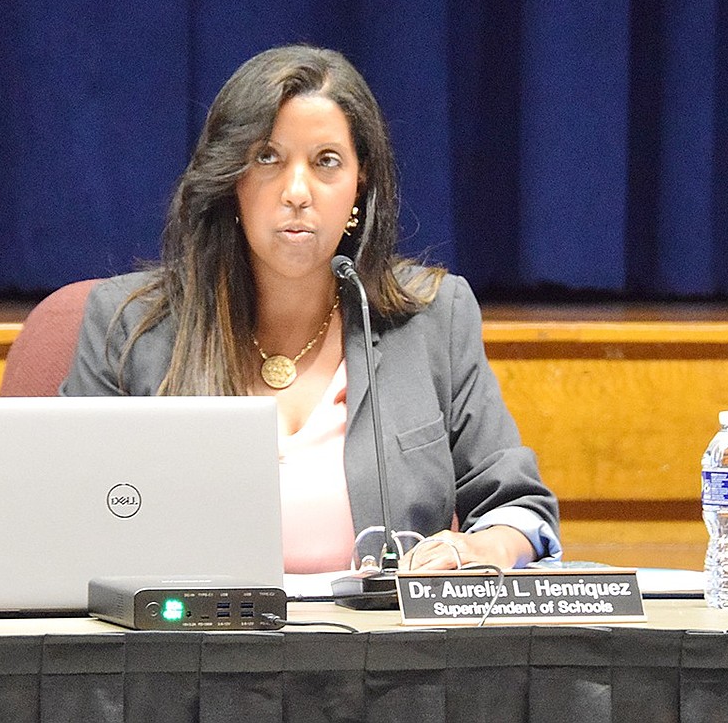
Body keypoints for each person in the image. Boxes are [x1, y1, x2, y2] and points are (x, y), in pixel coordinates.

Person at [61, 45, 560, 573]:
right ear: (231, 178)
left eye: (326, 162)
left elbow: (519, 506)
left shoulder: (432, 319)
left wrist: (484, 546)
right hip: (190, 648)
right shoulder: (131, 327)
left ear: (359, 182)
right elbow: (62, 516)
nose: (296, 191)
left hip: (384, 647)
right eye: (267, 158)